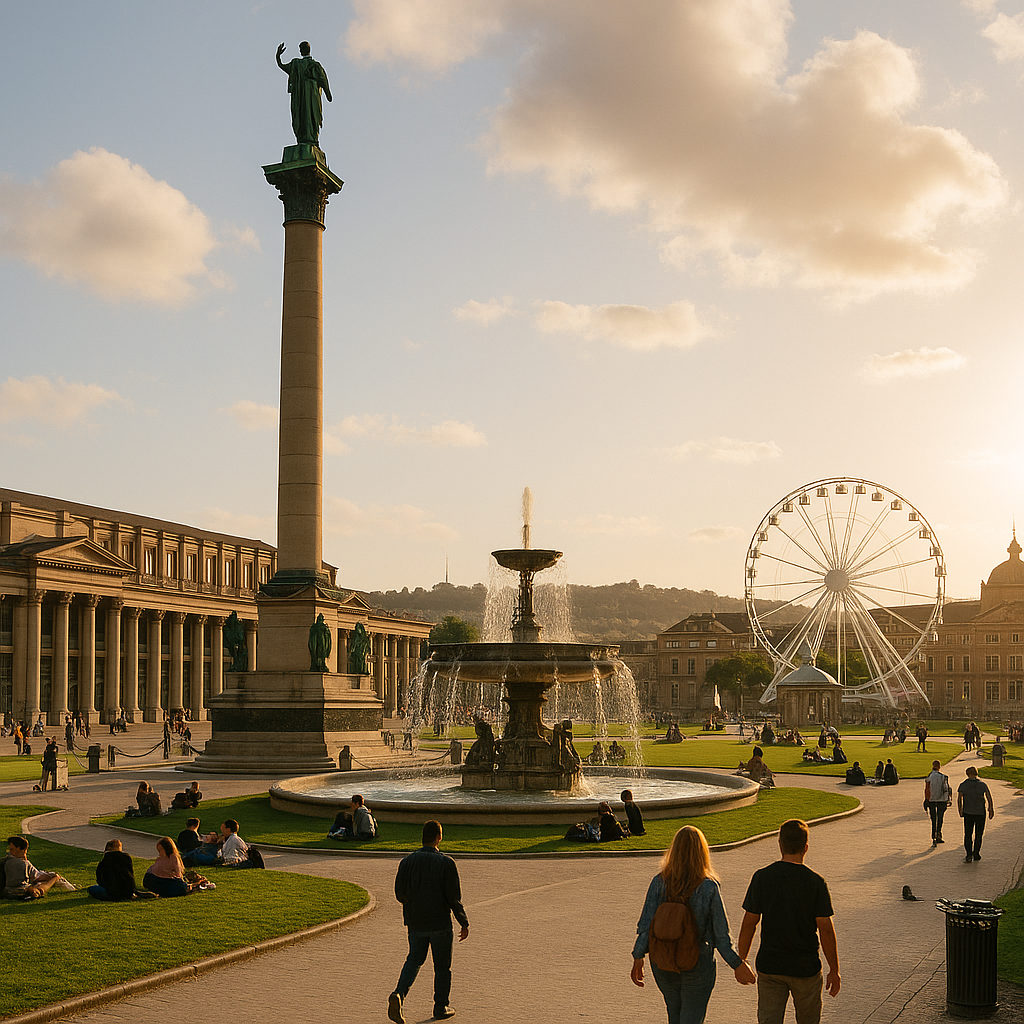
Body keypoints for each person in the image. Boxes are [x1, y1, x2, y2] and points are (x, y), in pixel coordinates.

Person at [631, 825, 756, 1024]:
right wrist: (738, 964)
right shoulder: (708, 886)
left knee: (674, 1014)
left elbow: (646, 924)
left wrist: (638, 956)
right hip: (697, 963)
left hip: (663, 961)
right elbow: (721, 935)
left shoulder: (658, 882)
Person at [738, 819, 840, 1024]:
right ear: (806, 847)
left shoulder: (762, 877)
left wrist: (742, 959)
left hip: (771, 966)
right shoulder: (815, 882)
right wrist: (834, 970)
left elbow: (749, 922)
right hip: (806, 968)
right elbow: (826, 930)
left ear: (780, 845)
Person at [389, 820, 469, 1024]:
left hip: (415, 922)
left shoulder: (406, 862)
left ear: (422, 837)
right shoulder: (446, 863)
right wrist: (463, 921)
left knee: (414, 959)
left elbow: (399, 894)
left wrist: (414, 904)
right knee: (442, 967)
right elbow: (453, 898)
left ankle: (399, 994)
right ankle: (440, 1006)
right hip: (440, 923)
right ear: (439, 837)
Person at [275, 41, 332, 146]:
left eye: (302, 49)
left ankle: (312, 139)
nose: (301, 51)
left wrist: (328, 93)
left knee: (311, 114)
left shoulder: (312, 65)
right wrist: (278, 57)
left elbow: (323, 80)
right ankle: (305, 139)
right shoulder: (297, 64)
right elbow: (283, 66)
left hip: (311, 96)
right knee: (303, 115)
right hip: (301, 96)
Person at [3, 835, 75, 899]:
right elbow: (35, 877)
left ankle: (70, 887)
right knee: (54, 877)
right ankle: (71, 888)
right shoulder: (20, 863)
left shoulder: (12, 861)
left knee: (51, 877)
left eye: (11, 849)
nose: (10, 851)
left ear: (19, 848)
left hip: (13, 888)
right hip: (23, 887)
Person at [88, 839, 155, 901]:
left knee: (91, 889)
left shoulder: (105, 861)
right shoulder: (126, 858)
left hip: (112, 893)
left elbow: (100, 879)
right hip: (128, 891)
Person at [957, 765, 995, 862]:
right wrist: (990, 808)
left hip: (968, 812)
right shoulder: (982, 784)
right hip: (980, 812)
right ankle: (976, 853)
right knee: (979, 834)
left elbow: (959, 798)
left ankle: (969, 854)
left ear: (967, 774)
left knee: (968, 834)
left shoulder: (963, 785)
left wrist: (960, 809)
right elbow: (989, 797)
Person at [924, 760, 951, 845]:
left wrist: (926, 799)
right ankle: (938, 834)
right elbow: (946, 789)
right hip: (941, 800)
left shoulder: (929, 777)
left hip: (931, 800)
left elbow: (927, 789)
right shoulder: (943, 777)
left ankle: (934, 835)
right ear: (939, 766)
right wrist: (948, 799)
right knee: (940, 818)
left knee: (933, 819)